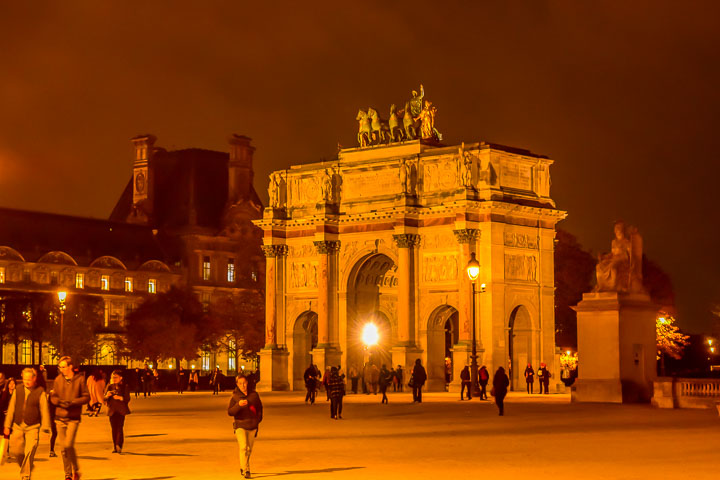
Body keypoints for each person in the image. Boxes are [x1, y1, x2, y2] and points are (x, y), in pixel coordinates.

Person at [3, 368, 51, 480]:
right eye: (25, 379)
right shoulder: (17, 390)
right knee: (16, 451)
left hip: (33, 427)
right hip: (17, 425)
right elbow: (11, 408)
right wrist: (7, 425)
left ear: (34, 378)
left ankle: (25, 475)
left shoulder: (40, 392)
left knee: (29, 451)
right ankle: (27, 467)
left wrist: (45, 429)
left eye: (29, 379)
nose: (27, 382)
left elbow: (44, 411)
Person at [50, 355, 90, 480]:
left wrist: (73, 402)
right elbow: (53, 396)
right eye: (60, 367)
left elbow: (86, 396)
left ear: (70, 366)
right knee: (63, 449)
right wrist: (59, 402)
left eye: (63, 367)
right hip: (60, 417)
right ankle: (67, 474)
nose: (61, 369)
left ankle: (76, 469)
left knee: (68, 445)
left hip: (73, 417)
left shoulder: (80, 380)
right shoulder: (58, 380)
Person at [228, 374, 263, 479]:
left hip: (252, 425)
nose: (243, 385)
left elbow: (260, 409)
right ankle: (246, 470)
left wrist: (257, 420)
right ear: (237, 385)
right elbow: (230, 412)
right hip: (240, 425)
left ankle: (243, 465)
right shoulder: (235, 397)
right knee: (244, 447)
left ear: (247, 383)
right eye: (240, 384)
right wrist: (238, 405)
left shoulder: (254, 395)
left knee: (249, 449)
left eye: (244, 383)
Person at [104, 370, 130, 454]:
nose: (114, 379)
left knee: (119, 427)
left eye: (116, 377)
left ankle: (119, 445)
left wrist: (120, 398)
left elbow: (127, 398)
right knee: (113, 429)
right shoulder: (109, 386)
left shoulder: (124, 386)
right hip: (112, 410)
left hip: (121, 410)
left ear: (120, 378)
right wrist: (107, 395)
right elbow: (104, 398)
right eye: (112, 377)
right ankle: (115, 446)